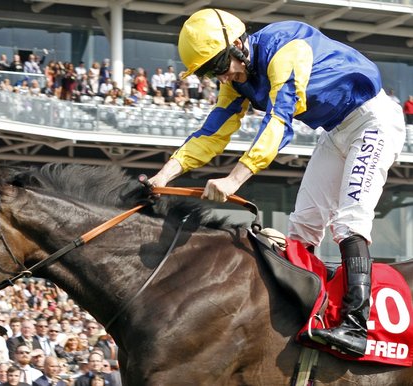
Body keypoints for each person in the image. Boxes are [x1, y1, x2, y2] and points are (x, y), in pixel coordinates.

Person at [148, 8, 406, 358]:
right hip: (336, 132)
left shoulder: (285, 48)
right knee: (302, 226)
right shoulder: (237, 78)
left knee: (349, 220)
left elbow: (279, 122)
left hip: (373, 121)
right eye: (211, 73)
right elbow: (212, 133)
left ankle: (355, 325)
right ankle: (306, 312)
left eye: (220, 66)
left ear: (237, 45)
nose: (222, 78)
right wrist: (162, 177)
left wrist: (235, 178)